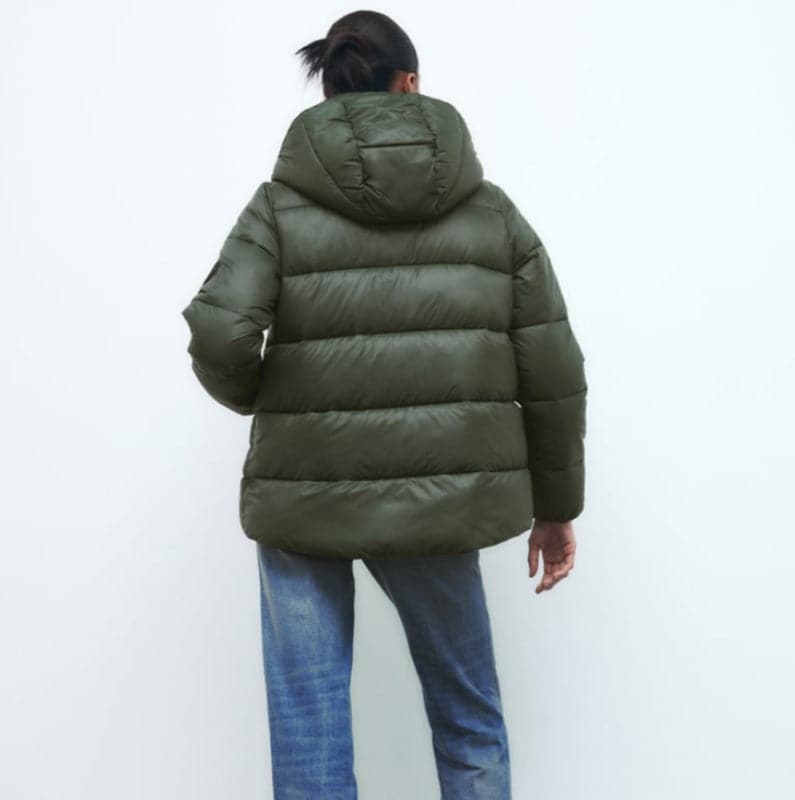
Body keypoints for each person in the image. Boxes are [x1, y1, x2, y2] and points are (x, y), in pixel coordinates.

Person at [181, 9, 587, 800]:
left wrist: (273, 405)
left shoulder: (278, 207)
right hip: (441, 496)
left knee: (310, 723)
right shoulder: (491, 212)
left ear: (330, 93)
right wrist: (556, 504)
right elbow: (552, 362)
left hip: (304, 495)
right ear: (411, 84)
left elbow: (218, 332)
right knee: (467, 716)